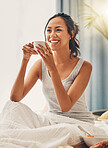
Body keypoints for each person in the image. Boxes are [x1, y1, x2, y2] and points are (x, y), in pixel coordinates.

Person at [10, 12, 94, 124]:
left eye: (58, 30)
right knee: (11, 107)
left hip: (77, 122)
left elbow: (65, 107)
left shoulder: (84, 67)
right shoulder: (40, 65)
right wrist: (25, 60)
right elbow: (15, 97)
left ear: (71, 34)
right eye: (49, 30)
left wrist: (52, 69)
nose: (52, 35)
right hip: (53, 120)